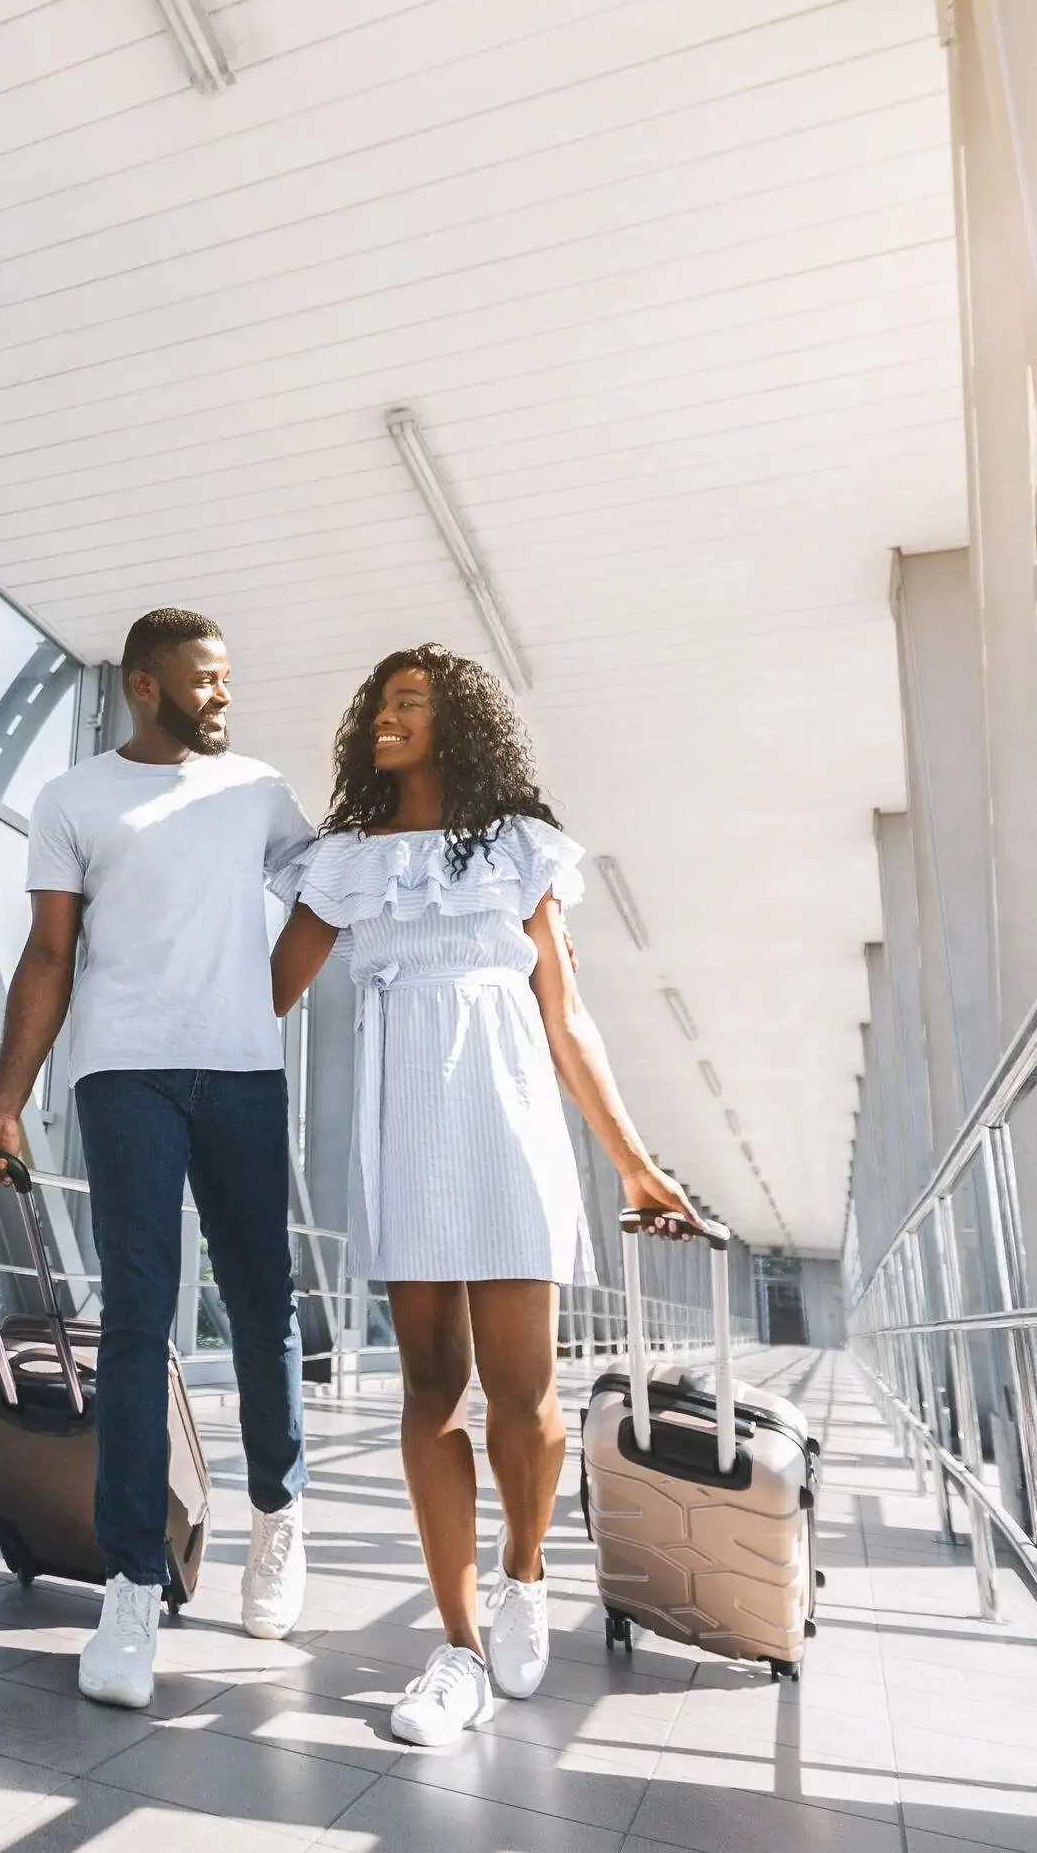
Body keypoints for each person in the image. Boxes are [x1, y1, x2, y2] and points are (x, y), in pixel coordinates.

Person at [269, 644, 703, 1747]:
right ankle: (456, 1646)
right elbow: (265, 991)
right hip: (402, 1124)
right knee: (429, 1385)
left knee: (524, 1394)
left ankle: (525, 1570)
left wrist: (636, 1162)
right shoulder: (348, 859)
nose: (383, 716)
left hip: (508, 1118)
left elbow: (566, 1016)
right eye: (377, 700)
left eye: (409, 702)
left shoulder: (520, 851)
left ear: (458, 724)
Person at [0, 606, 319, 1711]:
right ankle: (129, 1578)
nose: (225, 695)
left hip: (244, 1078)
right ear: (147, 685)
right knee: (137, 1316)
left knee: (265, 1303)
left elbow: (329, 897)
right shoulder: (73, 800)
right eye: (206, 679)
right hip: (123, 1076)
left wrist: (259, 1008)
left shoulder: (258, 789)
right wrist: (4, 1102)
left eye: (227, 677)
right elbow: (49, 954)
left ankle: (277, 1517)